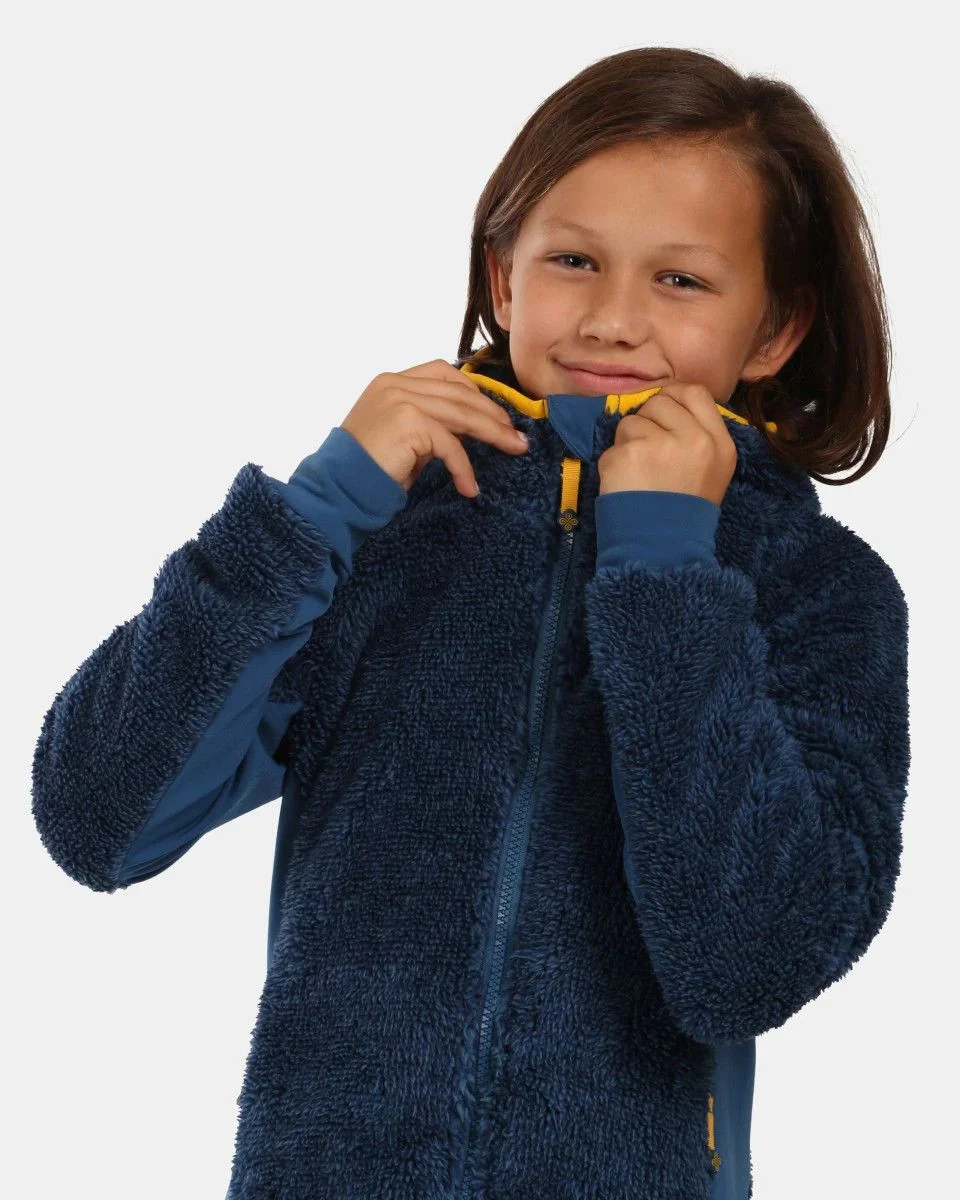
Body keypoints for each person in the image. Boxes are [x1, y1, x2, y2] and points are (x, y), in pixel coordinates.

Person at [30, 46, 910, 1200]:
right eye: (573, 260)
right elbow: (99, 819)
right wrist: (314, 514)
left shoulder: (819, 591)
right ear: (503, 279)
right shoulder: (382, 532)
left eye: (681, 281)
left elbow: (744, 963)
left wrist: (664, 572)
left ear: (776, 329)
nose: (613, 319)